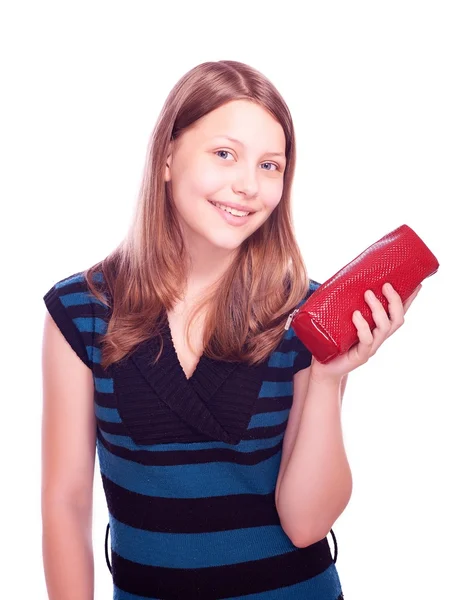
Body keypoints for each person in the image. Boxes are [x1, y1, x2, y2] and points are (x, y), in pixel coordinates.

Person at [41, 60, 421, 600]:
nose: (248, 186)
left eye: (271, 165)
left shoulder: (305, 315)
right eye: (225, 154)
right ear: (168, 156)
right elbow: (66, 501)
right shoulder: (80, 311)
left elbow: (306, 523)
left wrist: (330, 376)